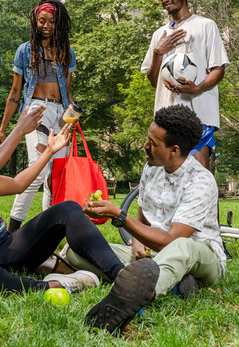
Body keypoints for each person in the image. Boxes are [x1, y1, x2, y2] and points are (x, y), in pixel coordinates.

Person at [0, 107, 149, 295]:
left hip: (9, 247)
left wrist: (48, 152)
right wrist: (18, 131)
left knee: (66, 209)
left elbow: (17, 184)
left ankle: (122, 275)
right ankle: (50, 286)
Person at [81, 105, 226, 334]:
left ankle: (139, 294)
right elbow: (143, 221)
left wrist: (118, 215)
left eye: (152, 143)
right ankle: (173, 284)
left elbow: (172, 240)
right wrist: (136, 242)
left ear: (174, 149)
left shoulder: (201, 181)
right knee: (79, 249)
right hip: (155, 255)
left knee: (183, 247)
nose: (145, 146)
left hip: (201, 256)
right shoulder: (152, 168)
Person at [0, 0, 77, 233]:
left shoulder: (67, 52)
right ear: (35, 21)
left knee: (56, 174)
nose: (46, 25)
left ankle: (48, 231)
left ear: (58, 24)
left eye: (52, 21)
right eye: (42, 21)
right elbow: (15, 93)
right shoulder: (25, 50)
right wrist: (4, 129)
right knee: (38, 169)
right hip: (36, 112)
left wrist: (71, 119)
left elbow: (68, 92)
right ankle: (11, 232)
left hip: (61, 113)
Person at [140, 0, 229, 173]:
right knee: (160, 174)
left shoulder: (205, 25)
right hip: (165, 116)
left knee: (200, 172)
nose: (165, 0)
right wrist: (158, 52)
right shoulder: (158, 35)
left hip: (198, 114)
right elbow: (154, 81)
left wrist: (197, 88)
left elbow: (218, 69)